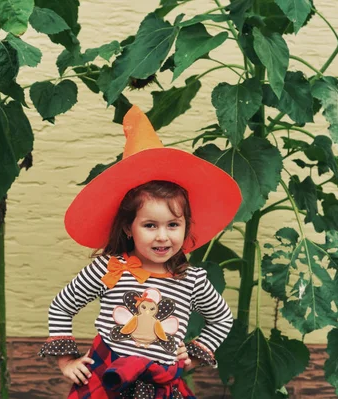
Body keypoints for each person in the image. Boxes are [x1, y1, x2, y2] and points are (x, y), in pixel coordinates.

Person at [38, 105, 242, 398]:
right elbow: (62, 305)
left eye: (173, 224)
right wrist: (66, 361)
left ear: (186, 227)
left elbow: (221, 318)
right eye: (149, 225)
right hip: (106, 378)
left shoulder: (192, 279)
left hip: (161, 384)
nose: (163, 236)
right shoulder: (109, 268)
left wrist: (196, 353)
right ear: (127, 228)